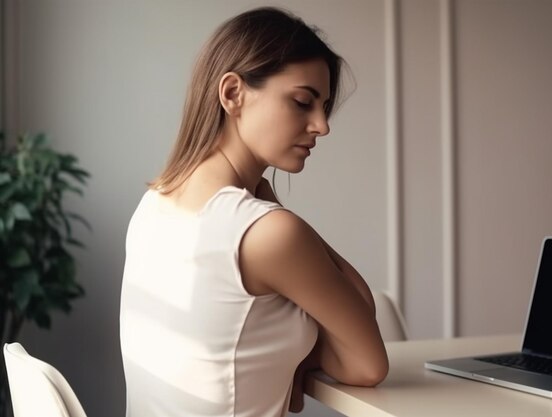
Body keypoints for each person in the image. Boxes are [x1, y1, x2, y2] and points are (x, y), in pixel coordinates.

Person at [119, 6, 388, 417]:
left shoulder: (153, 204)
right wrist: (274, 211)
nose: (322, 125)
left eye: (325, 107)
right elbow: (366, 363)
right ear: (232, 94)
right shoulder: (266, 233)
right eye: (303, 102)